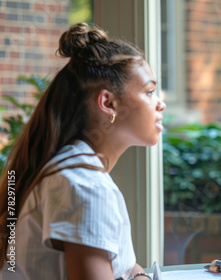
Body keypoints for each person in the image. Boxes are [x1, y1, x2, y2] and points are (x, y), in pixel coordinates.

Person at [0, 22, 166, 280]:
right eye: (150, 91)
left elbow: (123, 265)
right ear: (108, 103)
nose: (161, 103)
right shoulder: (86, 188)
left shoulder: (72, 172)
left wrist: (139, 275)